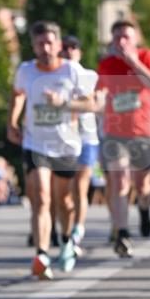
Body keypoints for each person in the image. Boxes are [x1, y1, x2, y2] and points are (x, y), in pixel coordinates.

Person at [8, 20, 92, 280]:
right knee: (41, 196)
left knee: (64, 202)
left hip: (65, 144)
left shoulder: (72, 72)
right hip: (36, 143)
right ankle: (41, 254)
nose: (45, 48)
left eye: (49, 42)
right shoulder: (26, 71)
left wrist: (63, 102)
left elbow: (91, 103)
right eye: (39, 43)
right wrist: (12, 121)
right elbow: (18, 94)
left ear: (58, 45)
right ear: (33, 46)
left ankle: (66, 240)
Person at [96, 19, 150, 257]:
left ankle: (144, 211)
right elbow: (98, 94)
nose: (122, 41)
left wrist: (134, 62)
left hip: (142, 130)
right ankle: (123, 233)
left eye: (126, 36)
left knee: (142, 185)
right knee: (120, 180)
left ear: (136, 39)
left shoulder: (148, 57)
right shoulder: (106, 65)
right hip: (115, 132)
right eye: (117, 38)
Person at [60, 35, 100, 256]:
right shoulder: (52, 76)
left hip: (86, 138)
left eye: (73, 47)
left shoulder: (88, 76)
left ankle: (77, 231)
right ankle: (65, 230)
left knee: (79, 187)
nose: (68, 51)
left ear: (80, 53)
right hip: (62, 139)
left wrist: (65, 104)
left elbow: (93, 104)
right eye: (64, 48)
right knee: (63, 192)